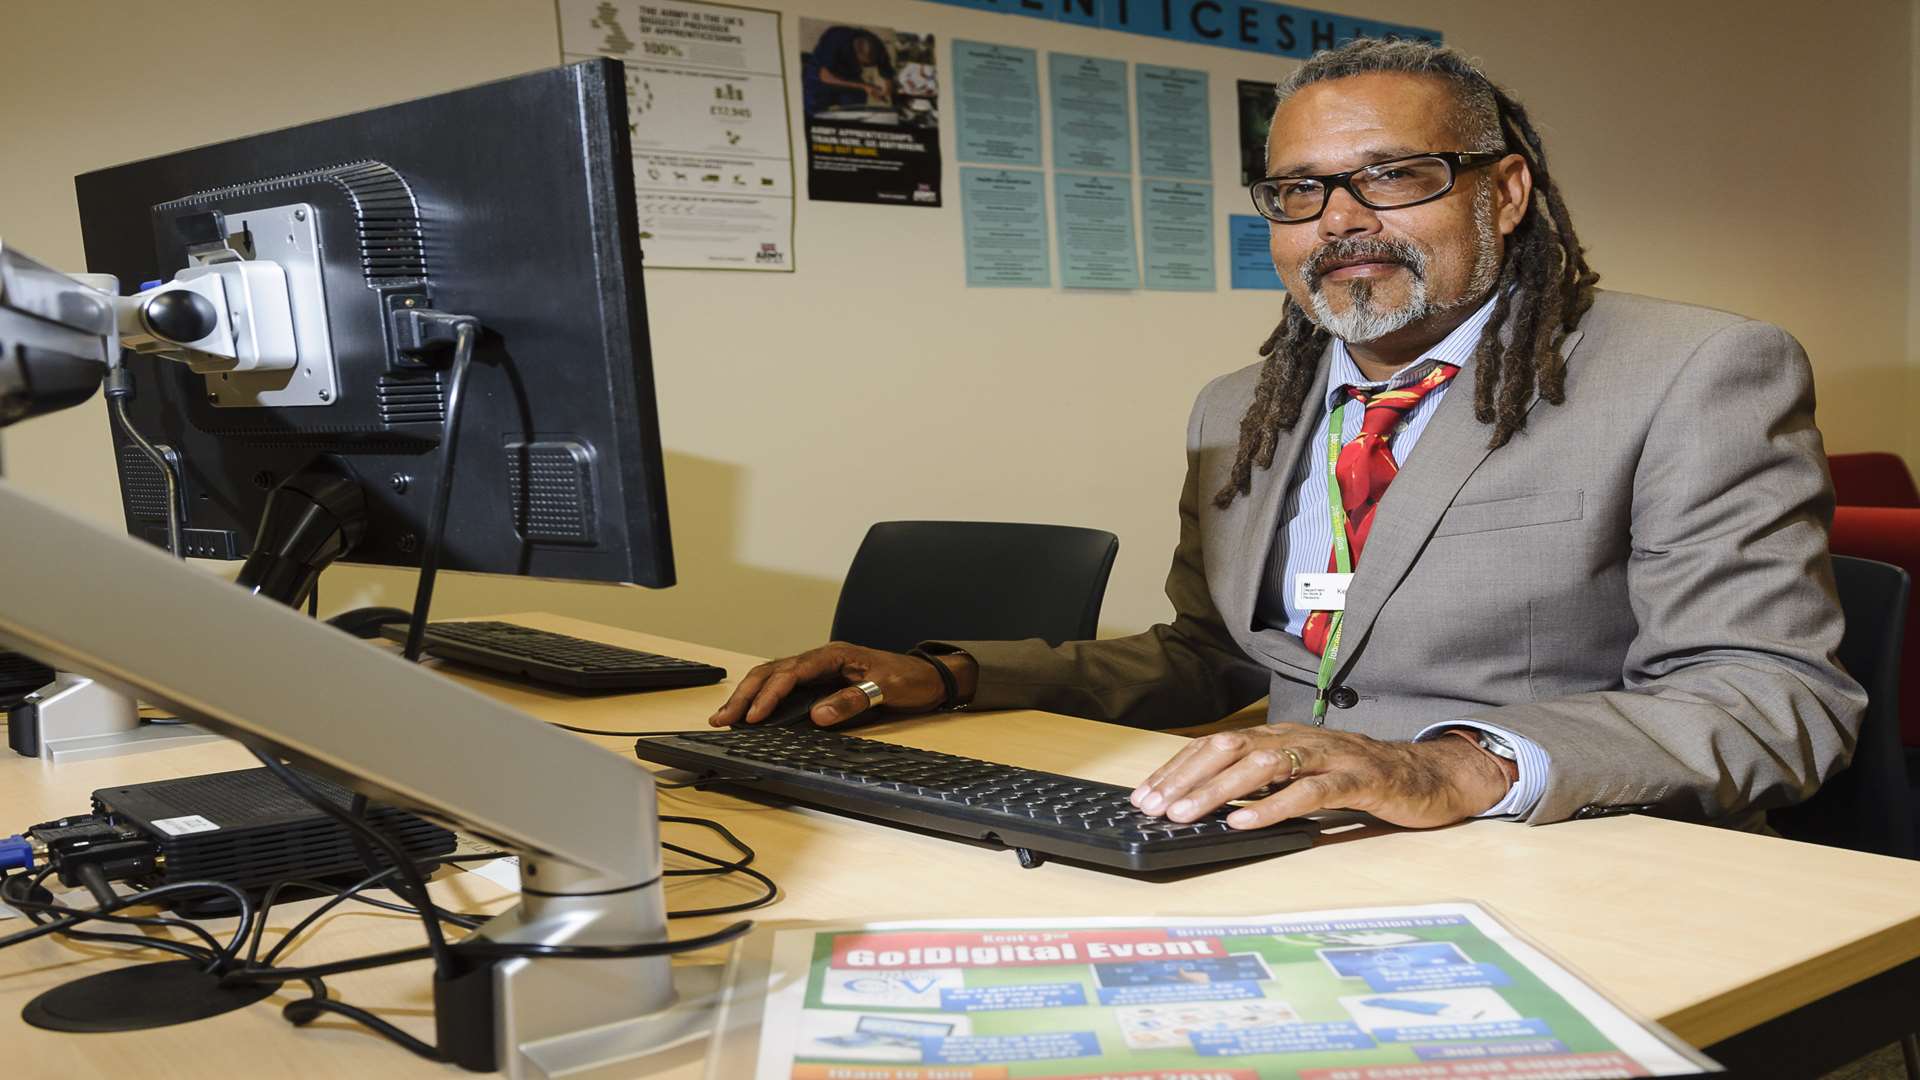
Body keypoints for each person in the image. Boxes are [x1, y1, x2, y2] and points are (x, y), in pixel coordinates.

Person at [714, 39, 1864, 834]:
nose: (1343, 221)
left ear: (1504, 194)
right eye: (1299, 193)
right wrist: (952, 676)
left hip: (1567, 849)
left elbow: (1771, 697)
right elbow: (1208, 660)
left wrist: (1449, 765)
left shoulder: (1694, 370)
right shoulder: (1239, 406)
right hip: (1286, 845)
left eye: (1394, 177)